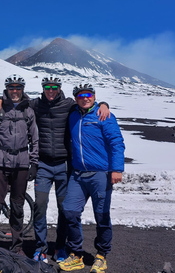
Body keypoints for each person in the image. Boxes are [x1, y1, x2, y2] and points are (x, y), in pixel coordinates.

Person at [0, 75, 110, 263]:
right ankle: (41, 248)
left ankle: (61, 246)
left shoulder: (69, 104)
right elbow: (16, 97)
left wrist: (103, 103)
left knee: (64, 209)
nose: (51, 90)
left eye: (54, 87)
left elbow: (85, 103)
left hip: (64, 165)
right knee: (40, 206)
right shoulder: (35, 104)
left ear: (60, 88)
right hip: (44, 165)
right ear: (43, 88)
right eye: (47, 87)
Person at [59, 83, 125, 273]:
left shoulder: (104, 115)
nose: (85, 98)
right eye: (80, 95)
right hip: (78, 175)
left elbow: (117, 143)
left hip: (100, 175)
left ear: (94, 96)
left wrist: (117, 169)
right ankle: (76, 255)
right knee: (70, 211)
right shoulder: (72, 115)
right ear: (75, 98)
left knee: (102, 216)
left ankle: (102, 256)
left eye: (89, 94)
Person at [0, 74, 39, 255]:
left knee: (17, 206)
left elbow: (35, 138)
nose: (15, 91)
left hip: (21, 163)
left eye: (18, 87)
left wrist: (34, 162)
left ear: (23, 89)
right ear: (6, 89)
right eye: (12, 87)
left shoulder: (28, 110)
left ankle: (16, 245)